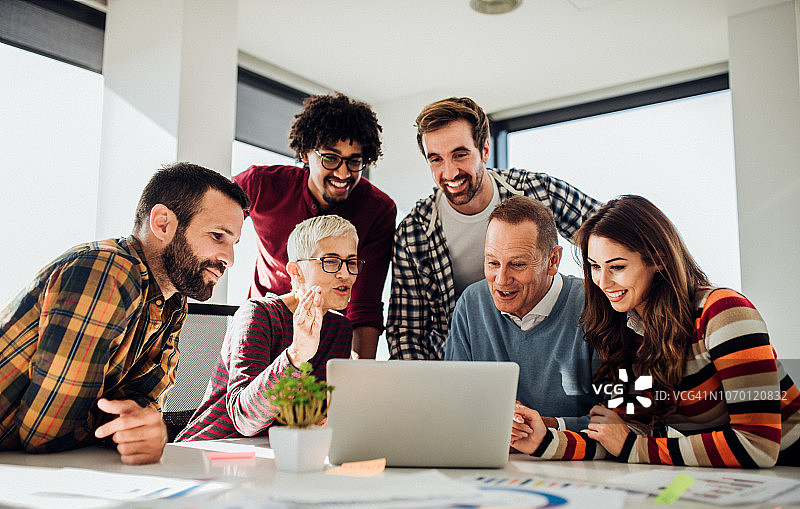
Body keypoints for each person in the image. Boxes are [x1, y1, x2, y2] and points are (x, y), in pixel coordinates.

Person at [511, 195, 800, 467]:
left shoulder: (723, 312)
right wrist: (542, 439)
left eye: (617, 267)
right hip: (734, 478)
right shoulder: (625, 331)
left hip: (789, 465)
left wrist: (635, 447)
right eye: (595, 267)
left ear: (658, 259)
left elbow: (758, 445)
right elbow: (621, 434)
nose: (603, 282)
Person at [0, 162, 249, 464]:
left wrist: (143, 429)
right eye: (218, 236)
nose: (230, 259)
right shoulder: (106, 271)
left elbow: (139, 409)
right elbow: (47, 434)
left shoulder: (171, 302)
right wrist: (126, 428)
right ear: (162, 223)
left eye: (234, 243)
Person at [387, 96, 601, 360]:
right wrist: (432, 384)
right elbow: (407, 334)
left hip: (545, 352)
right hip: (464, 364)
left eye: (460, 155)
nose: (450, 172)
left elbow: (613, 234)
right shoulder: (414, 233)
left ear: (485, 150)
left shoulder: (537, 192)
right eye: (436, 160)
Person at [234, 93, 396, 360]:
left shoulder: (378, 209)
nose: (343, 174)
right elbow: (211, 211)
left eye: (354, 161)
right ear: (306, 152)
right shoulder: (260, 185)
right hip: (264, 329)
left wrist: (360, 375)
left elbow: (364, 305)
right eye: (330, 158)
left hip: (329, 339)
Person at [176, 215, 360, 441]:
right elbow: (246, 421)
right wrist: (297, 355)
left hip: (278, 451)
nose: (345, 274)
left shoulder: (340, 330)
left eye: (352, 262)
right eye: (330, 261)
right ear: (296, 272)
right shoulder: (258, 313)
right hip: (211, 448)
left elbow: (306, 417)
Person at [445, 197, 599, 431]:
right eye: (493, 263)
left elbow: (622, 421)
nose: (501, 280)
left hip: (574, 452)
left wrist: (548, 427)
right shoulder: (471, 304)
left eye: (517, 265)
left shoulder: (595, 306)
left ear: (553, 260)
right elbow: (454, 404)